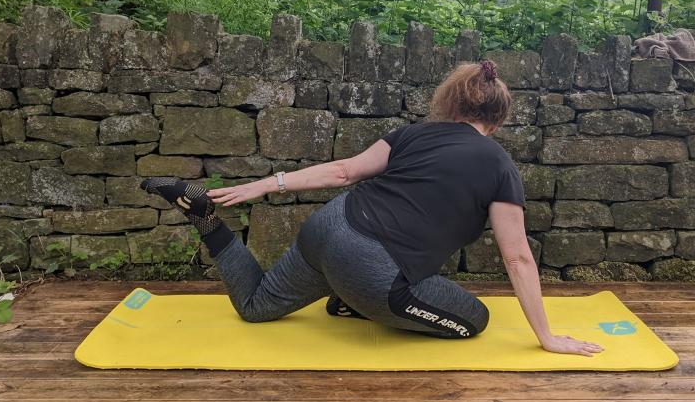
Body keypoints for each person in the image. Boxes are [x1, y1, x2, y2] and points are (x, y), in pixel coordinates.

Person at [141, 59, 604, 357]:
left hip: (328, 228)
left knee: (256, 305)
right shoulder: (500, 165)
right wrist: (546, 337)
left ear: (451, 102)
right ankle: (353, 300)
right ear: (497, 119)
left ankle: (205, 217)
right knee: (475, 321)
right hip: (371, 268)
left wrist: (266, 184)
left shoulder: (411, 134)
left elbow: (343, 173)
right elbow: (517, 257)